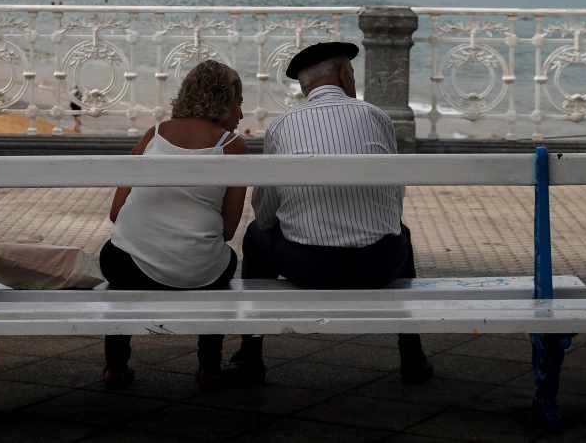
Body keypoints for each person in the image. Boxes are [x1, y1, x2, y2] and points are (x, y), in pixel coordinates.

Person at [224, 41, 434, 386]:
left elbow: (264, 214)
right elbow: (394, 199)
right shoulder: (377, 117)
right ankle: (411, 353)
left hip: (310, 268)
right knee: (401, 232)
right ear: (344, 75)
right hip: (377, 265)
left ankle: (251, 352)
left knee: (254, 235)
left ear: (306, 87)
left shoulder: (281, 127)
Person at [102, 60, 247, 392]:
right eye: (238, 103)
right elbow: (227, 231)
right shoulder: (232, 147)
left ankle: (115, 365)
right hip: (198, 274)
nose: (240, 114)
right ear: (222, 102)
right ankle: (209, 368)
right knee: (222, 260)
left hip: (131, 267)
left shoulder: (154, 135)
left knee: (116, 254)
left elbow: (116, 211)